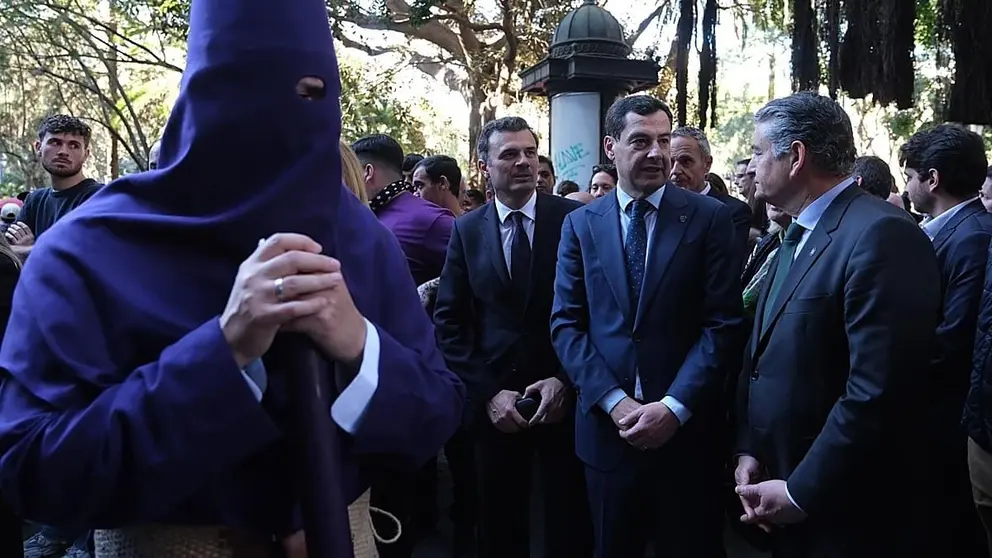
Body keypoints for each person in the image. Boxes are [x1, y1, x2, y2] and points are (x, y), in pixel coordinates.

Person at [0, 2, 464, 558]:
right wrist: (221, 356)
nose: (285, 117)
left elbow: (437, 413)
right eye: (249, 91)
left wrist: (363, 349)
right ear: (199, 98)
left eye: (312, 93)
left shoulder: (362, 241)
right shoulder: (89, 250)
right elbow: (32, 467)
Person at [735, 92, 941, 557]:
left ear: (796, 157)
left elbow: (877, 388)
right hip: (778, 480)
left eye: (757, 152)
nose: (749, 167)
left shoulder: (881, 235)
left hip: (844, 507)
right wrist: (749, 448)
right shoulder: (793, 232)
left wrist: (800, 491)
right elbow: (760, 354)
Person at [551, 95, 744, 558]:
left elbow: (721, 324)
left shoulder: (710, 218)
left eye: (663, 140)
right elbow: (566, 324)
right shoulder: (580, 224)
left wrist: (674, 407)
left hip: (686, 437)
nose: (656, 153)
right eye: (641, 141)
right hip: (606, 436)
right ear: (611, 146)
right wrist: (615, 404)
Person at [434, 116, 592, 558]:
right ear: (484, 165)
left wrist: (565, 380)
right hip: (494, 406)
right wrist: (487, 394)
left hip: (566, 400)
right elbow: (450, 321)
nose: (523, 162)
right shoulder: (467, 230)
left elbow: (599, 311)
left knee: (568, 525)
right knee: (499, 528)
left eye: (529, 152)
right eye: (509, 154)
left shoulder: (575, 220)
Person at [901, 124, 992, 557]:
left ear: (931, 179)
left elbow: (955, 337)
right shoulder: (951, 231)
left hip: (948, 419)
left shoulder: (973, 237)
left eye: (909, 176)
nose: (906, 186)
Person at [7, 115, 102, 259]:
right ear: (39, 147)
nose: (63, 151)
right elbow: (8, 251)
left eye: (74, 145)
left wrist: (32, 248)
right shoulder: (35, 200)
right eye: (55, 142)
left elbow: (82, 255)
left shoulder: (98, 197)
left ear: (86, 154)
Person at [670, 126, 752, 270]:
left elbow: (726, 270)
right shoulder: (656, 209)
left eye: (686, 161)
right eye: (670, 162)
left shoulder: (733, 212)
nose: (675, 171)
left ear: (707, 164)